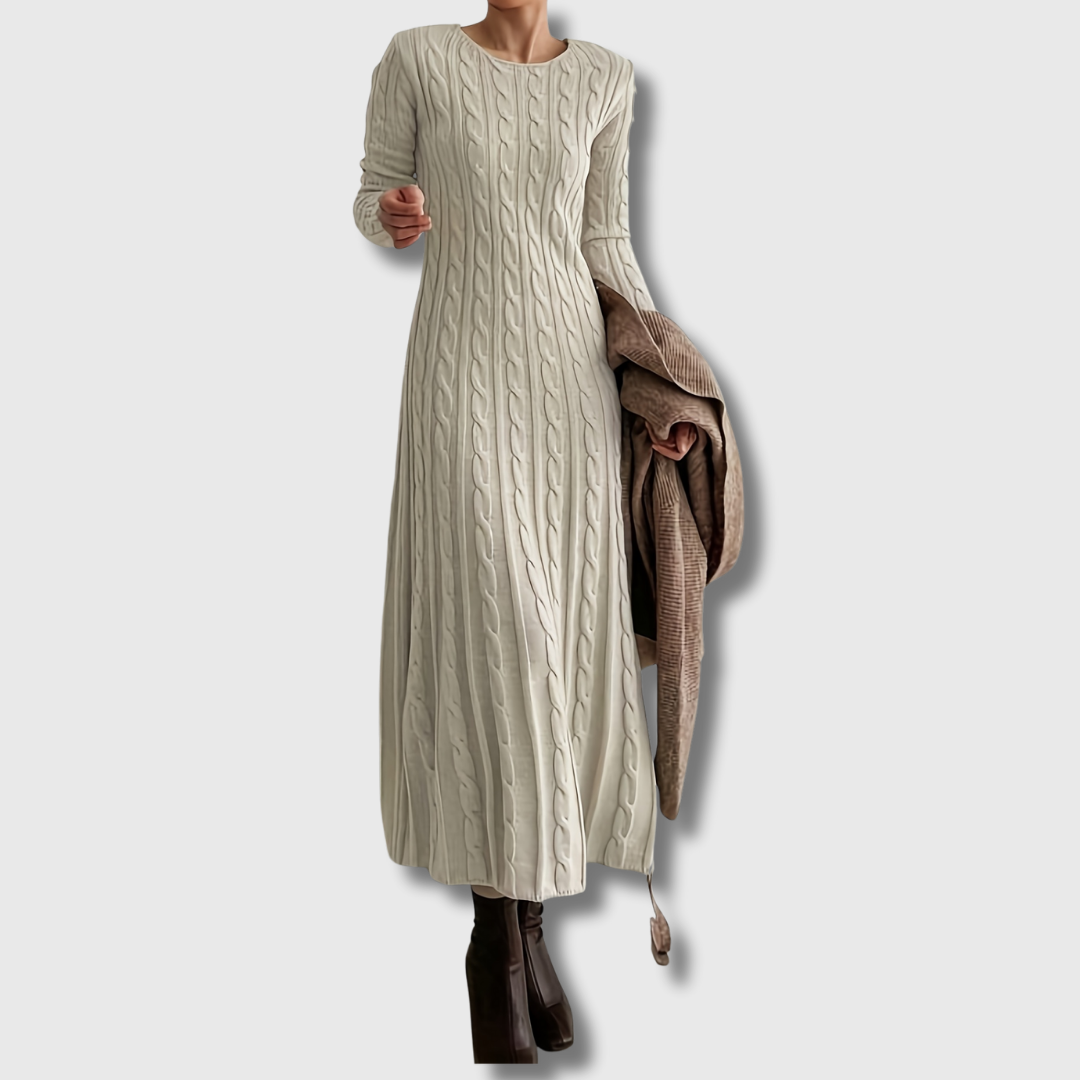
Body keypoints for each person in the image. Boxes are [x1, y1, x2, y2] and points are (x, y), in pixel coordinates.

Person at [353, 8, 690, 1063]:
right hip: (458, 364)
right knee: (496, 630)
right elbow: (372, 194)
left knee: (559, 645)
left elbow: (605, 241)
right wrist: (391, 214)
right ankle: (493, 946)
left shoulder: (608, 78)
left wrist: (662, 384)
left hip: (567, 384)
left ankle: (529, 924)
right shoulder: (416, 57)